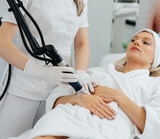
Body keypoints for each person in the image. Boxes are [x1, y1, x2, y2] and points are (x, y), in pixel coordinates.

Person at [0, 0, 98, 138]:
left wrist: (80, 72)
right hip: (24, 90)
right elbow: (2, 42)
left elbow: (81, 43)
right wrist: (37, 70)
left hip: (58, 93)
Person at [11, 29, 160, 139]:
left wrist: (117, 95)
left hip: (108, 125)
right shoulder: (97, 72)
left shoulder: (153, 85)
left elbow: (154, 125)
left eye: (146, 42)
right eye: (133, 40)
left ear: (156, 57)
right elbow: (56, 98)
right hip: (70, 114)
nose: (136, 42)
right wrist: (79, 99)